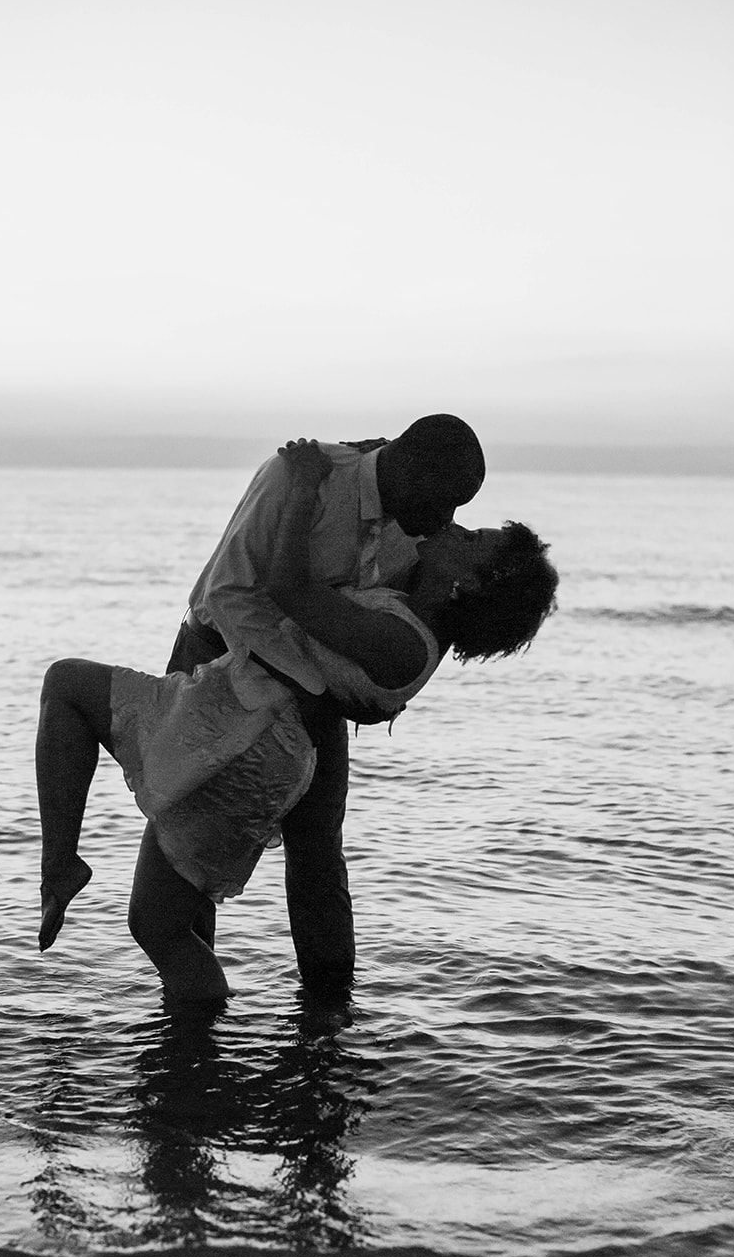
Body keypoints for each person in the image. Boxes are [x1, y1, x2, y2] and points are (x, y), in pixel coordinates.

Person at [34, 439, 558, 1001]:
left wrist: (307, 490)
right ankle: (267, 1030)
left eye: (471, 534)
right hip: (248, 704)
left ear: (471, 584)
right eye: (453, 515)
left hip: (255, 733)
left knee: (168, 915)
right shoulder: (410, 580)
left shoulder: (409, 617)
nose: (450, 525)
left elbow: (291, 592)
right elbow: (261, 600)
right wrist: (349, 465)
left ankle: (210, 1033)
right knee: (171, 901)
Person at [132, 413, 489, 992]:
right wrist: (307, 686)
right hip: (217, 659)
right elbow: (229, 596)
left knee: (319, 848)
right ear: (407, 465)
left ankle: (328, 1017)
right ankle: (192, 1014)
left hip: (313, 686)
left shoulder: (415, 523)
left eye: (459, 507)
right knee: (188, 848)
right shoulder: (299, 477)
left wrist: (337, 689)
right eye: (446, 500)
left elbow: (385, 627)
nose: (448, 520)